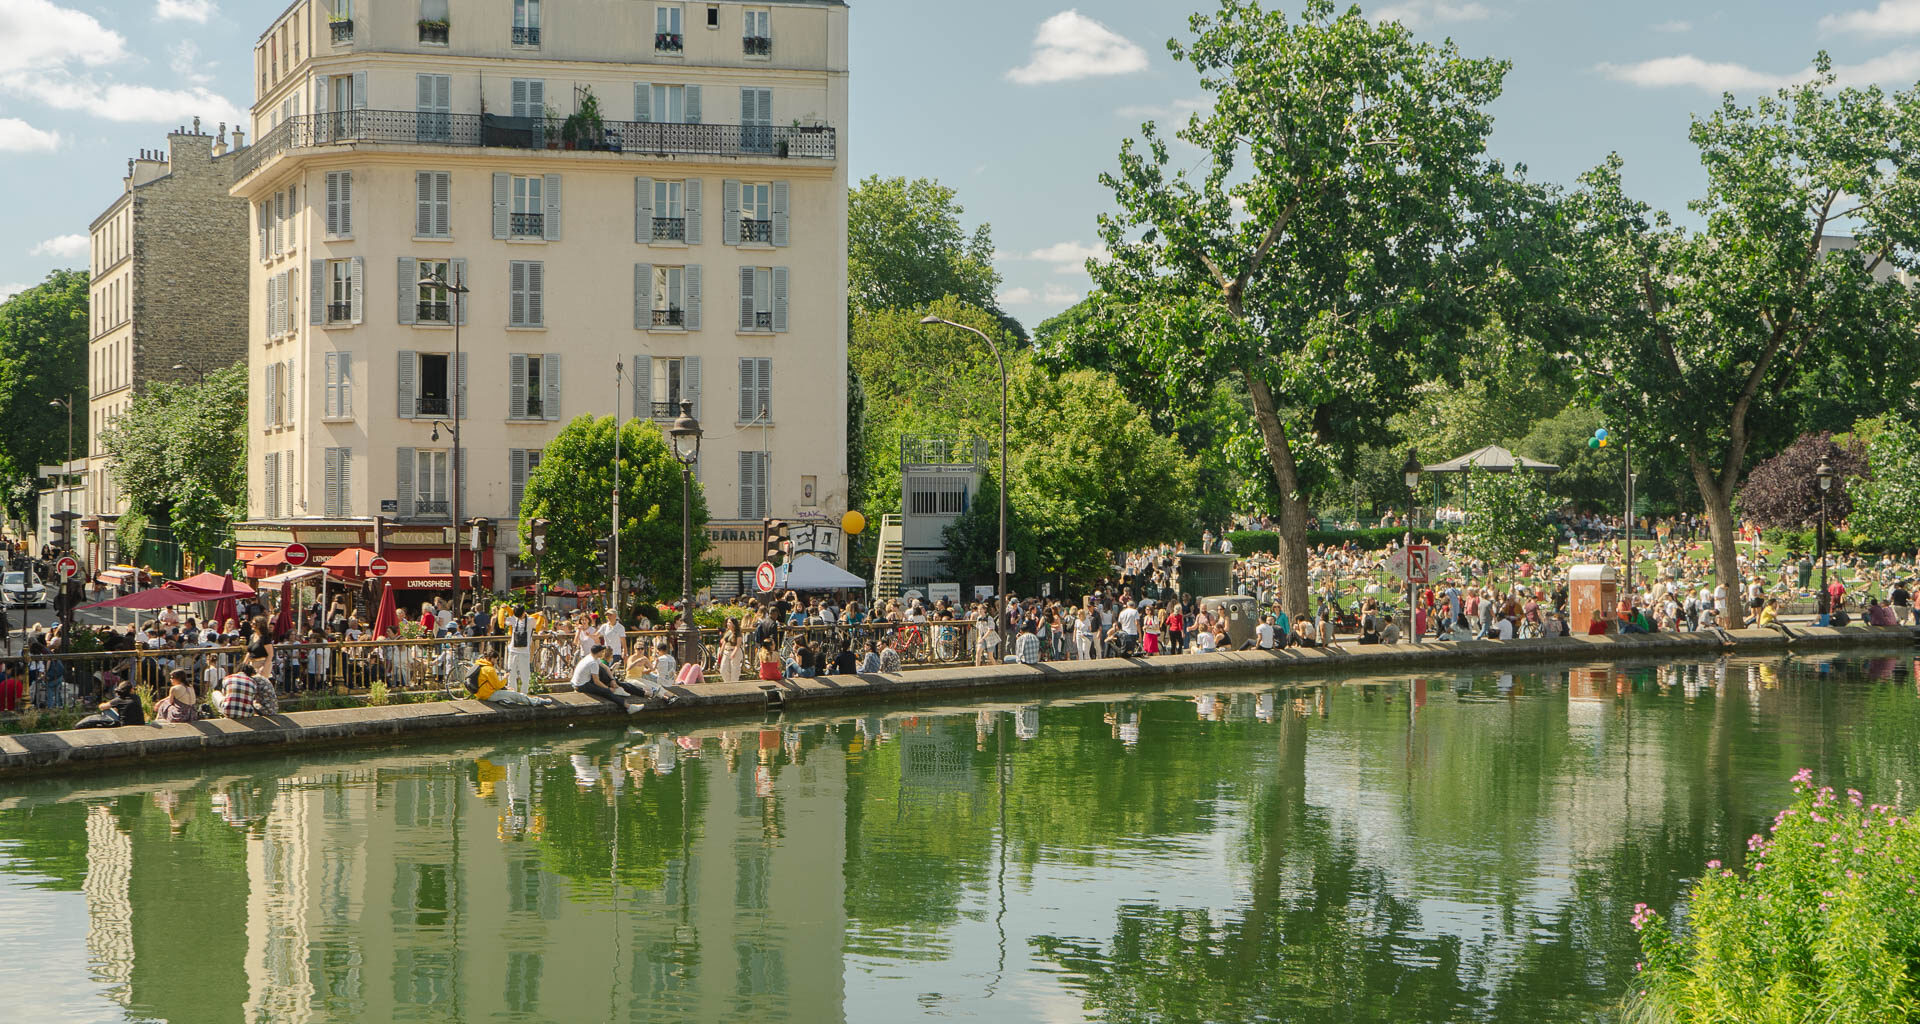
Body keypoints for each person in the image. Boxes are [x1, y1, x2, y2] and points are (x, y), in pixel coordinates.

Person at [572, 643, 655, 708]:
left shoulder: (592, 657)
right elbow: (596, 681)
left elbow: (606, 668)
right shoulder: (593, 662)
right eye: (602, 651)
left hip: (584, 681)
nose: (603, 653)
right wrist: (608, 688)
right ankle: (628, 706)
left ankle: (644, 693)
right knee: (606, 692)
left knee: (620, 683)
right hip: (581, 685)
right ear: (599, 652)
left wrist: (612, 680)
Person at [503, 604, 534, 692]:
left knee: (514, 674)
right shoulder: (530, 620)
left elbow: (503, 622)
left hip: (517, 650)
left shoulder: (515, 619)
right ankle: (520, 693)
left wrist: (505, 609)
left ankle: (516, 693)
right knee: (522, 675)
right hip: (520, 651)